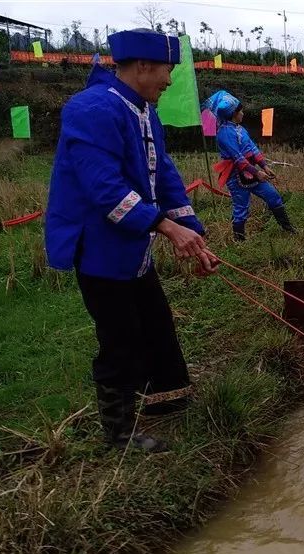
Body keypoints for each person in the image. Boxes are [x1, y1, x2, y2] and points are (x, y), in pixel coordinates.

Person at [45, 29, 218, 453]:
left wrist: (190, 230)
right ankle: (119, 435)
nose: (170, 81)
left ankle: (168, 400)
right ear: (142, 66)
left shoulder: (144, 111)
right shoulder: (91, 109)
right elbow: (104, 189)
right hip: (101, 245)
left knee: (156, 322)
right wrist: (165, 227)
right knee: (120, 337)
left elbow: (166, 177)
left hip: (133, 244)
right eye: (166, 71)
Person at [205, 90, 295, 241]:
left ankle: (288, 229)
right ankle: (239, 242)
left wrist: (264, 166)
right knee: (241, 209)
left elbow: (252, 148)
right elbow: (238, 158)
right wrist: (257, 172)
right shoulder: (224, 134)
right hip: (236, 176)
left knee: (273, 196)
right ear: (234, 113)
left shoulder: (240, 129)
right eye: (241, 111)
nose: (243, 113)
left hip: (251, 173)